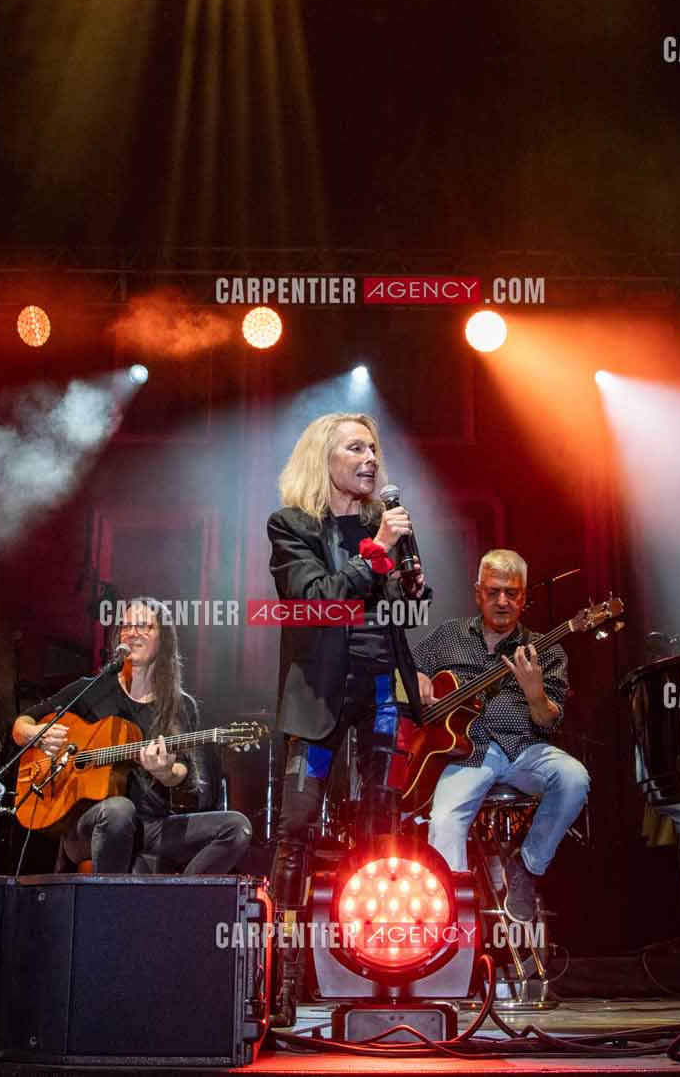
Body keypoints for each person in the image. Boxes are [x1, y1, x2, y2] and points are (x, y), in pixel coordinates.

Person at [265, 411, 427, 1017]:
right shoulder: (292, 526)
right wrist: (377, 552)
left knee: (381, 830)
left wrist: (411, 579)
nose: (369, 459)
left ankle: (378, 976)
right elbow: (315, 602)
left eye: (374, 448)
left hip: (382, 689)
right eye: (355, 448)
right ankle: (281, 978)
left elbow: (410, 604)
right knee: (298, 826)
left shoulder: (388, 522)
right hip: (320, 694)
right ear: (324, 459)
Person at [10, 597, 251, 875]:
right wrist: (35, 734)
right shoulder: (93, 689)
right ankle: (110, 906)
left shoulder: (179, 705)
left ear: (164, 641)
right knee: (118, 810)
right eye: (126, 626)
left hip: (151, 824)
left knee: (236, 827)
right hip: (89, 824)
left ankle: (180, 897)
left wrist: (165, 773)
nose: (132, 632)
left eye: (144, 626)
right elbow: (21, 724)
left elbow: (189, 782)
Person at [412, 549, 588, 922]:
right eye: (493, 592)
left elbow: (548, 722)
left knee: (574, 778)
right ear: (478, 592)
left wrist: (534, 692)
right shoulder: (449, 635)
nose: (502, 601)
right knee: (443, 822)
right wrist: (419, 679)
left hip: (524, 748)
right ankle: (452, 920)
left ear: (524, 597)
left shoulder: (547, 649)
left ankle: (527, 867)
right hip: (467, 753)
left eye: (512, 593)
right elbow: (409, 668)